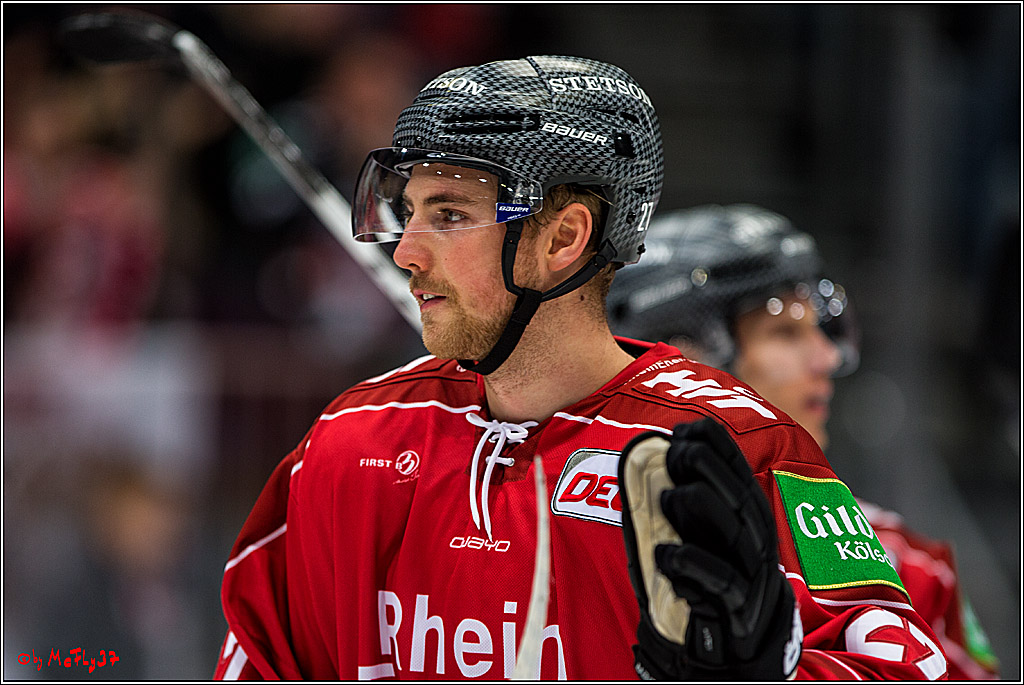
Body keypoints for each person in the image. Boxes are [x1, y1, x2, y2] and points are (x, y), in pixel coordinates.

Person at [214, 57, 949, 680]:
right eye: (409, 212)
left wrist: (774, 671)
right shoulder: (354, 439)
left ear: (564, 238)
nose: (406, 250)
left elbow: (907, 667)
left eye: (450, 215)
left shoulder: (740, 446)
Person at [607, 203, 1000, 679]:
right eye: (785, 332)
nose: (827, 357)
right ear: (686, 361)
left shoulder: (907, 562)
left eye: (819, 329)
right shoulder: (566, 521)